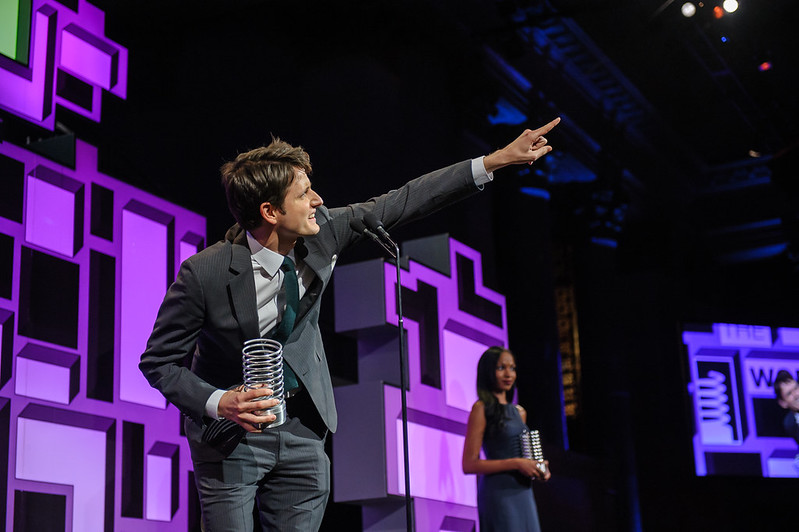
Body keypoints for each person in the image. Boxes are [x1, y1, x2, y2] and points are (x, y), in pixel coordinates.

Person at [139, 117, 560, 531]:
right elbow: (159, 362)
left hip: (304, 431)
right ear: (269, 210)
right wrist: (218, 401)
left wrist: (494, 161)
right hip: (231, 438)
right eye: (304, 194)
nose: (319, 201)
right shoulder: (205, 273)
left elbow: (405, 200)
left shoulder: (323, 232)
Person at [462, 346, 551, 532]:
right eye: (501, 368)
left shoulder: (520, 413)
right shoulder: (481, 408)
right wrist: (516, 463)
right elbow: (469, 464)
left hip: (524, 493)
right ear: (488, 371)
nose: (508, 374)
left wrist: (539, 468)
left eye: (512, 368)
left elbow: (524, 457)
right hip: (499, 494)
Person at [774, 369, 799, 445]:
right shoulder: (790, 424)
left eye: (796, 388)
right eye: (789, 393)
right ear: (783, 403)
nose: (796, 395)